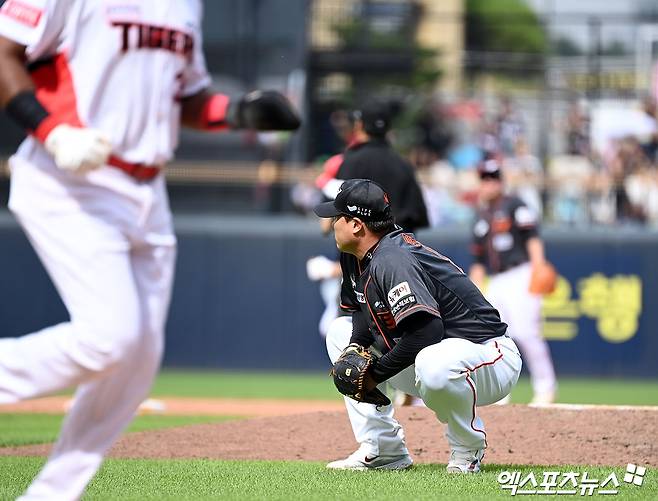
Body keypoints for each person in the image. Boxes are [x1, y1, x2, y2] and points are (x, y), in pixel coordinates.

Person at [0, 1, 299, 499]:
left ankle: (51, 494)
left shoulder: (185, 5)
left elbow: (184, 96)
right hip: (70, 178)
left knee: (138, 361)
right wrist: (50, 131)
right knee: (110, 339)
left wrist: (239, 110)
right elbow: (4, 52)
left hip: (147, 190)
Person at [313, 179, 522, 472]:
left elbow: (427, 331)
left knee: (432, 362)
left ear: (357, 225)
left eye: (337, 217)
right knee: (340, 333)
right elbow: (362, 314)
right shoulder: (355, 256)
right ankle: (384, 449)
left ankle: (467, 449)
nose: (331, 223)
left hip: (490, 357)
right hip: (435, 359)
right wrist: (355, 348)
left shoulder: (393, 260)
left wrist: (374, 376)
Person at [469, 158, 557, 405]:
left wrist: (538, 266)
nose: (489, 184)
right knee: (494, 337)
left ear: (501, 181)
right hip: (495, 280)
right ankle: (500, 392)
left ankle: (546, 388)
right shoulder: (480, 217)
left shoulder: (515, 205)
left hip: (521, 274)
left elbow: (532, 237)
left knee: (527, 333)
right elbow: (477, 260)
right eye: (484, 179)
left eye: (493, 178)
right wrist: (474, 291)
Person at [323, 99, 429, 234]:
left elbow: (326, 225)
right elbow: (415, 217)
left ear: (359, 125)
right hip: (398, 250)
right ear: (388, 129)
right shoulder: (404, 165)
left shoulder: (350, 161)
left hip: (359, 251)